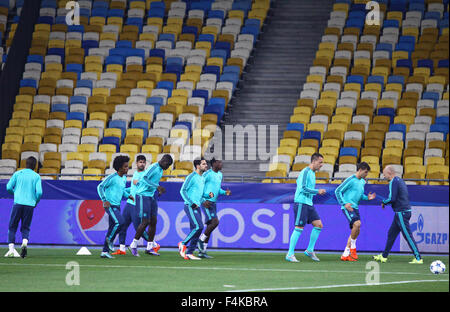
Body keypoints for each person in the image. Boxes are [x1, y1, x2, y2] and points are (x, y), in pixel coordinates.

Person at [373, 165, 423, 264]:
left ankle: (418, 258)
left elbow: (392, 198)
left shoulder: (393, 182)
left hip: (401, 212)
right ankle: (384, 256)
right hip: (401, 212)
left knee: (407, 235)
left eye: (384, 174)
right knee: (391, 234)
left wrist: (384, 202)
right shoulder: (399, 180)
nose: (383, 176)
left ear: (389, 173)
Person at [129, 154, 173, 257]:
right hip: (142, 195)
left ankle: (149, 247)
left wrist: (156, 190)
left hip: (150, 196)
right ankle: (133, 244)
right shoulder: (154, 167)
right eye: (168, 164)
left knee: (154, 221)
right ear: (163, 161)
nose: (168, 167)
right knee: (146, 221)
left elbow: (153, 182)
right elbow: (144, 178)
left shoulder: (161, 170)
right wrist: (157, 187)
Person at [286, 153, 327, 263]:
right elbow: (303, 188)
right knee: (299, 228)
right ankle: (290, 254)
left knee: (318, 225)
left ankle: (309, 250)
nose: (321, 165)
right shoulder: (305, 172)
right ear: (313, 161)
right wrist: (317, 191)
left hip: (309, 203)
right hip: (301, 203)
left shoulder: (313, 173)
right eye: (320, 162)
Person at [112, 155, 153, 255]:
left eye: (143, 162)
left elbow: (141, 184)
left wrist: (138, 182)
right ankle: (122, 248)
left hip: (137, 204)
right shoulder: (135, 173)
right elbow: (132, 188)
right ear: (136, 164)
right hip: (129, 204)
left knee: (138, 228)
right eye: (140, 162)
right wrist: (123, 190)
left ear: (145, 164)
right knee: (123, 226)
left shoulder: (145, 174)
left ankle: (153, 244)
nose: (142, 164)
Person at [334, 162, 376, 261]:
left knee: (357, 229)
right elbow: (337, 191)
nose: (366, 175)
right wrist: (344, 204)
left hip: (355, 207)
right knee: (357, 224)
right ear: (360, 170)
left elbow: (360, 195)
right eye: (365, 172)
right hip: (347, 207)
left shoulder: (362, 182)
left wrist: (367, 198)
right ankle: (353, 248)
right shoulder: (350, 180)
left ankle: (345, 254)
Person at [5, 157, 42, 258]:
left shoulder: (17, 174)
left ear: (25, 164)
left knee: (12, 226)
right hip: (30, 205)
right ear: (35, 166)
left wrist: (15, 193)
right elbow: (39, 192)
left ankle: (11, 250)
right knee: (25, 227)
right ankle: (24, 242)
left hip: (18, 203)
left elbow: (8, 187)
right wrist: (35, 201)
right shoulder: (36, 176)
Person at [97, 155, 134, 259]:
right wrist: (104, 200)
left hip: (117, 206)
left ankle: (104, 252)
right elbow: (100, 187)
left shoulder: (124, 178)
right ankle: (110, 241)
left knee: (112, 227)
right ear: (120, 167)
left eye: (128, 166)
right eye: (126, 166)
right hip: (110, 205)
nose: (127, 169)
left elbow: (121, 191)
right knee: (120, 222)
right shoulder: (112, 178)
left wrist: (128, 196)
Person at [178, 158, 213, 260]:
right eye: (203, 164)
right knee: (199, 227)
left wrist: (208, 195)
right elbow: (182, 191)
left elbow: (200, 195)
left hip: (197, 206)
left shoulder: (202, 178)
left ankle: (189, 252)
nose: (206, 165)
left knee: (196, 229)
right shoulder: (192, 176)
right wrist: (190, 203)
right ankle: (182, 244)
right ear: (198, 166)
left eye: (206, 164)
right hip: (190, 206)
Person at [197, 158, 231, 258]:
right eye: (219, 162)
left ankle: (202, 251)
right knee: (215, 222)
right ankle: (200, 239)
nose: (221, 164)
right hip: (206, 202)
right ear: (214, 164)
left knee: (210, 227)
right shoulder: (207, 174)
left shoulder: (220, 175)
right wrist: (203, 200)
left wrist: (225, 192)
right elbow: (199, 185)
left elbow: (217, 189)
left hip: (213, 202)